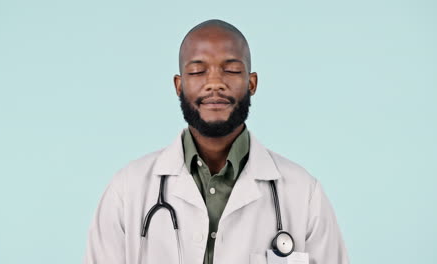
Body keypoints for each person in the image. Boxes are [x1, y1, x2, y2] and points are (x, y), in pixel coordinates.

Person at [83, 19, 349, 264]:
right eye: (198, 71)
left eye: (231, 70)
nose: (214, 83)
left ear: (252, 83)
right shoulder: (127, 190)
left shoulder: (303, 193)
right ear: (179, 85)